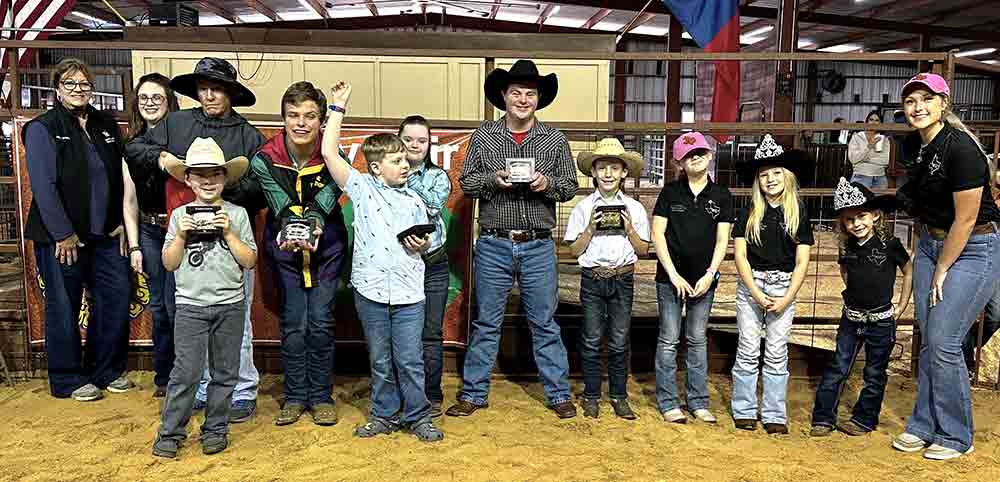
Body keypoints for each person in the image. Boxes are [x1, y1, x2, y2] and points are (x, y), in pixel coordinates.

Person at [126, 57, 264, 422]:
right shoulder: (176, 122)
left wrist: (224, 186)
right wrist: (164, 161)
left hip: (229, 232)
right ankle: (204, 388)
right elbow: (135, 150)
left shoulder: (248, 134)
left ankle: (242, 389)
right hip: (183, 233)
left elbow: (261, 185)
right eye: (203, 88)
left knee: (239, 318)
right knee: (193, 314)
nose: (208, 94)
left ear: (230, 92)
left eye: (216, 88)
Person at [448, 59, 579, 419]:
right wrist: (495, 179)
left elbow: (569, 187)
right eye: (516, 92)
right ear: (503, 96)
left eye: (530, 93)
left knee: (544, 322)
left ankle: (558, 393)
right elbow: (467, 183)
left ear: (538, 99)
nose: (523, 99)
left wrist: (545, 183)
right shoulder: (484, 136)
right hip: (494, 242)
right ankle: (474, 393)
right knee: (487, 321)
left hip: (538, 244)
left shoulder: (554, 139)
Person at [321, 81, 444, 442]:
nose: (405, 163)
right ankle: (384, 414)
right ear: (376, 168)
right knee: (380, 359)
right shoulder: (361, 189)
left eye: (405, 158)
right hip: (371, 291)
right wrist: (337, 106)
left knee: (409, 359)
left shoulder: (416, 201)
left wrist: (421, 243)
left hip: (409, 294)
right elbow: (329, 153)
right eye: (396, 160)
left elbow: (430, 241)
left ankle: (418, 416)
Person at [892, 73, 1000, 460]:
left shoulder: (962, 148)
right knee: (930, 340)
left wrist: (942, 267)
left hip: (971, 247)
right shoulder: (918, 147)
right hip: (931, 243)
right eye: (910, 101)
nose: (917, 107)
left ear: (943, 104)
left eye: (926, 99)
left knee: (945, 341)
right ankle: (923, 424)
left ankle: (955, 435)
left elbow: (967, 219)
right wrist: (928, 251)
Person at [24, 58, 133, 402]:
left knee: (115, 297)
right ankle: (67, 378)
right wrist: (62, 233)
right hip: (62, 239)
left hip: (105, 235)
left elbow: (118, 176)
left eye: (84, 83)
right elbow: (43, 186)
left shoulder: (105, 124)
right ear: (57, 89)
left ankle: (106, 370)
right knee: (63, 304)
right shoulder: (43, 127)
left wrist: (120, 221)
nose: (78, 89)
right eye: (70, 84)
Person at [248, 81, 347, 426]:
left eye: (309, 116)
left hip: (328, 249)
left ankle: (321, 396)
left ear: (321, 120)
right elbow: (280, 203)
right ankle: (294, 396)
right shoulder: (264, 158)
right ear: (284, 119)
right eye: (293, 115)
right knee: (293, 324)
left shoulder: (334, 154)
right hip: (286, 251)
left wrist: (315, 222)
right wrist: (294, 229)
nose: (301, 123)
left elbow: (331, 194)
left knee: (319, 322)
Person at [151, 137, 258, 459]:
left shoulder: (237, 215)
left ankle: (216, 429)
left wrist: (228, 232)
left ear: (225, 177)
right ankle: (170, 433)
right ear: (188, 179)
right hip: (190, 306)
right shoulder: (179, 216)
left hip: (230, 304)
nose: (208, 181)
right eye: (199, 174)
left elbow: (249, 260)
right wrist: (182, 233)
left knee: (225, 373)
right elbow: (169, 264)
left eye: (215, 174)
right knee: (185, 373)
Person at [810, 178, 912, 437]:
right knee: (838, 366)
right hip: (852, 318)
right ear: (843, 223)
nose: (856, 224)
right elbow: (846, 272)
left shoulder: (891, 244)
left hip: (882, 319)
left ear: (875, 215)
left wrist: (901, 304)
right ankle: (823, 417)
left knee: (875, 372)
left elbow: (908, 270)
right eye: (849, 220)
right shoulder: (846, 246)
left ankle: (864, 419)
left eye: (861, 216)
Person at [731, 134, 814, 435]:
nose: (770, 179)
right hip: (752, 284)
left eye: (776, 172)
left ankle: (774, 413)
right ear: (757, 181)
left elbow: (802, 261)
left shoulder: (798, 213)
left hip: (784, 286)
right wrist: (754, 289)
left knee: (777, 351)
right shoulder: (747, 212)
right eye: (764, 174)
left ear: (787, 176)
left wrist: (787, 297)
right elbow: (740, 255)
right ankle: (744, 409)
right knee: (749, 348)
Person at [564, 138, 649, 420]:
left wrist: (629, 229)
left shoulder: (634, 209)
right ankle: (591, 396)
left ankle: (619, 396)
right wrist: (589, 228)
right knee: (590, 338)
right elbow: (574, 250)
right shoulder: (582, 207)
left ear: (624, 172)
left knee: (619, 340)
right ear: (594, 172)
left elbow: (643, 249)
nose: (608, 174)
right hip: (592, 278)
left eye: (614, 168)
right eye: (602, 168)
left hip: (623, 278)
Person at [651, 132, 732, 424]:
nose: (695, 157)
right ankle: (668, 401)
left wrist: (711, 274)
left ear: (710, 156)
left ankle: (698, 402)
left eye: (699, 152)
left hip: (703, 281)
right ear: (679, 162)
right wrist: (672, 274)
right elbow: (658, 234)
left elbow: (723, 240)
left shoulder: (722, 195)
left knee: (697, 339)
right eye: (688, 155)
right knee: (669, 338)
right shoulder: (670, 193)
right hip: (670, 279)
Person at [124, 72, 181, 398]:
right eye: (144, 97)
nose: (149, 103)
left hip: (178, 229)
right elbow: (129, 201)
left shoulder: (181, 141)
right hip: (147, 229)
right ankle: (164, 377)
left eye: (157, 97)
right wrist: (134, 245)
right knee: (159, 307)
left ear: (169, 102)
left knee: (178, 307)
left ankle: (186, 375)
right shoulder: (131, 145)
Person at [399, 115, 452, 418]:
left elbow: (432, 206)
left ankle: (432, 394)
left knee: (430, 333)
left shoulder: (437, 176)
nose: (415, 145)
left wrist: (400, 182)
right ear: (399, 140)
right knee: (401, 333)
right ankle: (402, 393)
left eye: (421, 140)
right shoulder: (385, 176)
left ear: (429, 144)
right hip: (400, 264)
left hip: (432, 263)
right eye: (408, 139)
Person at [962, 167, 1000, 379]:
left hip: (997, 262)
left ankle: (966, 343)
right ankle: (965, 358)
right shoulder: (977, 193)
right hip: (973, 253)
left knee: (995, 315)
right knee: (964, 312)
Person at [848, 110, 890, 189]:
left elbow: (886, 160)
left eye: (877, 120)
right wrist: (869, 146)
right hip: (861, 176)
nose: (874, 122)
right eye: (871, 120)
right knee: (860, 201)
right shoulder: (857, 137)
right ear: (867, 121)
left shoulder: (884, 139)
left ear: (880, 124)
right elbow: (853, 159)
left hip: (880, 177)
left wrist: (865, 159)